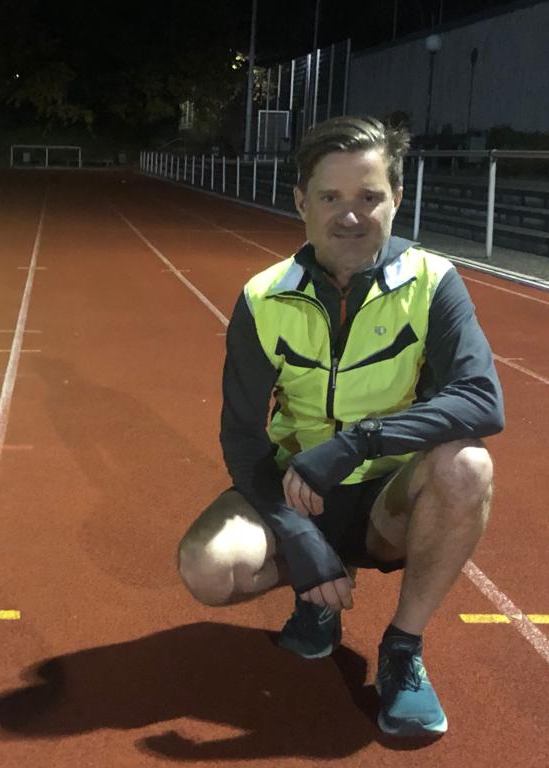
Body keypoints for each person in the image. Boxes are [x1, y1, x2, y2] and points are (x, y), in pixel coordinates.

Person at [177, 115, 504, 738]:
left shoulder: (435, 284)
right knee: (207, 567)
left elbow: (482, 399)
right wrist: (293, 533)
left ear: (397, 199)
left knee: (468, 465)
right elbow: (243, 437)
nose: (350, 216)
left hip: (390, 498)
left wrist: (360, 441)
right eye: (330, 197)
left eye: (369, 197)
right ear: (301, 201)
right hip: (296, 490)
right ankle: (319, 599)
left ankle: (404, 649)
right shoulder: (262, 297)